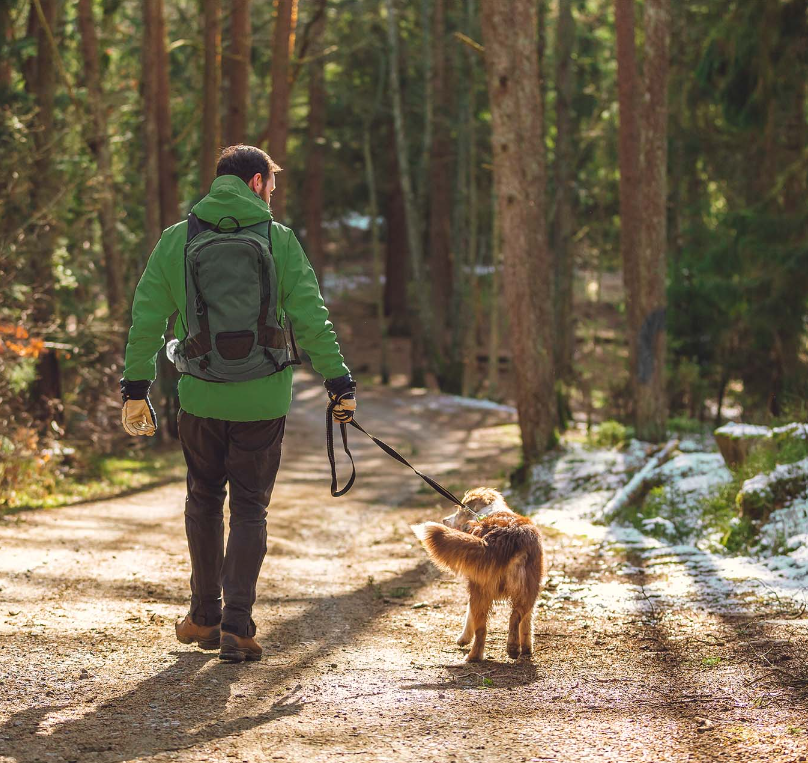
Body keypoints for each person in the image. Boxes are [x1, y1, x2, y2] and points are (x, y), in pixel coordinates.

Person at [120, 144, 356, 663]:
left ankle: (203, 616)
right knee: (250, 508)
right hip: (263, 399)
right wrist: (338, 380)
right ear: (254, 183)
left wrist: (135, 389)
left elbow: (147, 319)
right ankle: (238, 626)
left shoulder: (177, 240)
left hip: (200, 396)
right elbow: (311, 315)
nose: (272, 195)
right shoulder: (280, 241)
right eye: (270, 186)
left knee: (203, 500)